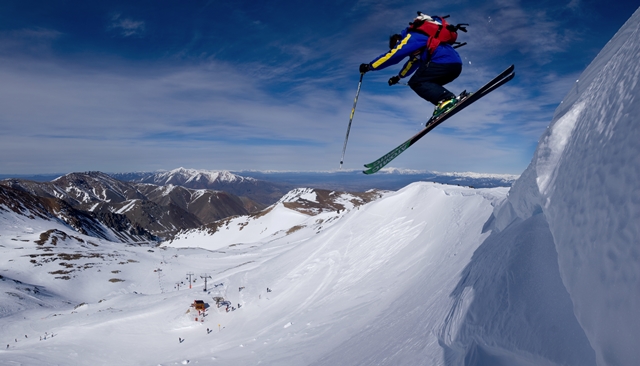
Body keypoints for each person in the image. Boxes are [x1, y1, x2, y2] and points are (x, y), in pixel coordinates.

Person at [360, 15, 463, 116]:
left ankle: (446, 100)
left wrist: (369, 66)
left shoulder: (411, 37)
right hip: (455, 66)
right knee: (427, 84)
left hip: (443, 63)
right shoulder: (421, 45)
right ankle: (445, 101)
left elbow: (393, 55)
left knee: (417, 82)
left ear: (398, 41)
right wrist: (398, 77)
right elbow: (411, 64)